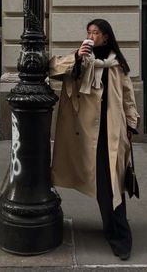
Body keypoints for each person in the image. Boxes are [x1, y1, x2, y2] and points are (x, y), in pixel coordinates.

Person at [49, 18, 140, 260]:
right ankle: (111, 228)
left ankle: (120, 236)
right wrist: (78, 56)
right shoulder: (81, 61)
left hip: (112, 133)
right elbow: (54, 69)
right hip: (87, 135)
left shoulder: (116, 65)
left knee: (113, 186)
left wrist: (131, 125)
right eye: (89, 32)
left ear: (106, 37)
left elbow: (128, 96)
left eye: (96, 32)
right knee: (103, 186)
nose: (91, 36)